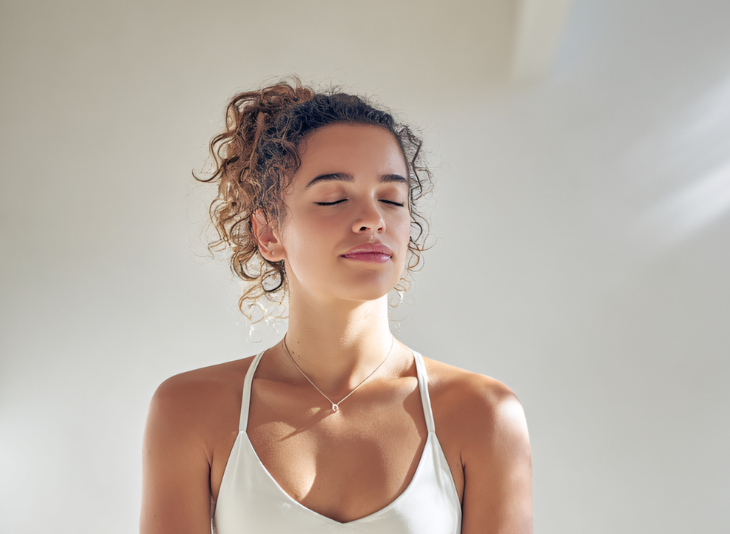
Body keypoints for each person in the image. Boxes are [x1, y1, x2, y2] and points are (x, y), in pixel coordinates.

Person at [140, 77, 533, 533]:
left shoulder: (483, 413)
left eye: (392, 198)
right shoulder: (191, 408)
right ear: (269, 234)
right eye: (333, 198)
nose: (372, 219)